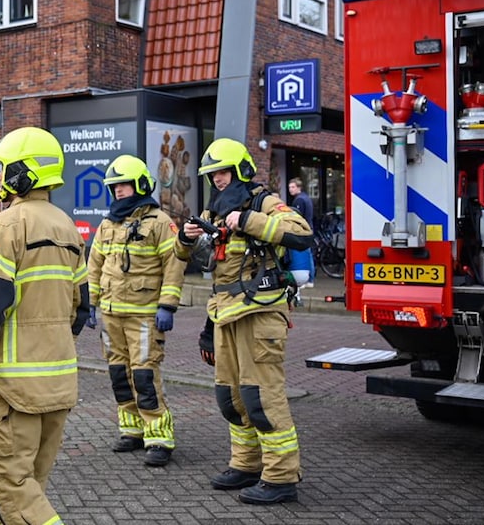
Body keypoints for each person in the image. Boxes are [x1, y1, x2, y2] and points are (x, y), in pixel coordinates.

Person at [0, 127, 91, 525]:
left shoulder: (5, 227)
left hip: (12, 393)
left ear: (23, 173)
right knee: (31, 490)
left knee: (10, 490)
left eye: (3, 168)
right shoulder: (67, 228)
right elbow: (82, 309)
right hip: (58, 386)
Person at [175, 138, 312, 505]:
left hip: (260, 313)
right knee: (231, 397)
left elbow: (301, 233)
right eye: (212, 175)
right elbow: (203, 261)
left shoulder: (262, 201)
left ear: (239, 170)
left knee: (261, 396)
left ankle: (281, 477)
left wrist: (251, 220)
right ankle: (246, 464)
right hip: (225, 315)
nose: (218, 180)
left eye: (222, 172)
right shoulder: (217, 210)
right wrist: (185, 239)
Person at [86, 155, 186, 467]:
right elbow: (94, 266)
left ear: (140, 185)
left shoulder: (160, 223)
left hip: (144, 314)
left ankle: (159, 437)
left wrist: (167, 305)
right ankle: (132, 430)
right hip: (111, 314)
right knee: (118, 373)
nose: (118, 191)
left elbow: (174, 265)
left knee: (144, 375)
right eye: (114, 186)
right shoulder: (106, 224)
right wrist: (89, 302)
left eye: (123, 185)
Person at [286, 177, 316, 288]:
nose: (290, 189)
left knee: (305, 255)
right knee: (309, 255)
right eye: (289, 187)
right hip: (309, 229)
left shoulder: (299, 200)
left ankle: (308, 280)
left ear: (299, 187)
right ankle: (311, 279)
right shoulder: (306, 198)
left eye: (293, 187)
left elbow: (298, 217)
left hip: (302, 230)